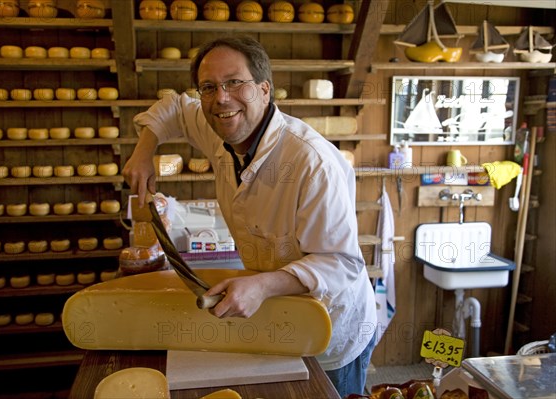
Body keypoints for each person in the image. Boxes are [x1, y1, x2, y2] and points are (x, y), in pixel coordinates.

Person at [123, 36, 377, 397]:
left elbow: (340, 263)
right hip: (277, 316)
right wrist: (144, 150)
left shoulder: (312, 162)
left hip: (333, 327)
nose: (221, 97)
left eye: (235, 83)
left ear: (264, 89)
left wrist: (262, 285)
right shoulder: (220, 125)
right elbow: (176, 108)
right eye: (209, 87)